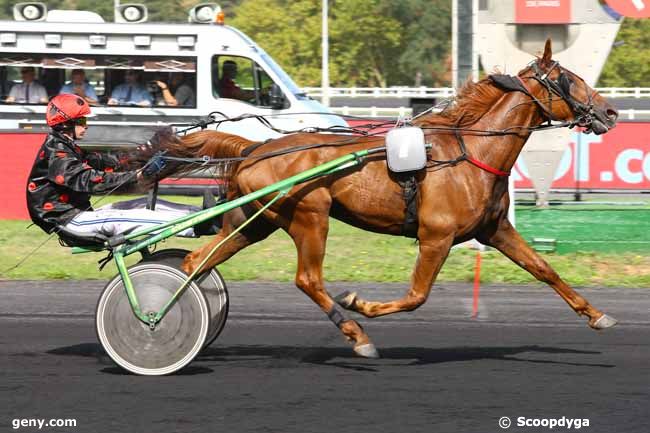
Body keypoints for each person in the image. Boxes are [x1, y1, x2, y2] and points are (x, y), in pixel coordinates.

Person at [26, 94, 212, 240]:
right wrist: (136, 176)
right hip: (70, 222)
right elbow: (88, 179)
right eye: (82, 121)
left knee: (139, 204)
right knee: (136, 216)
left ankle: (203, 215)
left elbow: (109, 163)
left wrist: (144, 152)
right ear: (66, 123)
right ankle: (198, 225)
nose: (86, 126)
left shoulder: (68, 147)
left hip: (80, 216)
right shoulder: (56, 153)